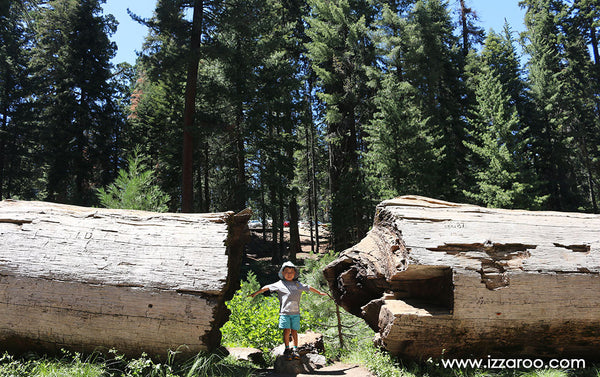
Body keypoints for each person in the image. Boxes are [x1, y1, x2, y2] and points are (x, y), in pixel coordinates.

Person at [248, 261, 328, 360]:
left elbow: (309, 287)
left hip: (296, 313)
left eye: (291, 272)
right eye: (286, 272)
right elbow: (267, 287)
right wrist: (255, 293)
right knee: (286, 331)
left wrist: (319, 293)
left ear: (295, 273)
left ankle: (295, 349)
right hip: (284, 313)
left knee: (294, 331)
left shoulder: (298, 285)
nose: (289, 274)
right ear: (282, 273)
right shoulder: (279, 284)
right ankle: (287, 349)